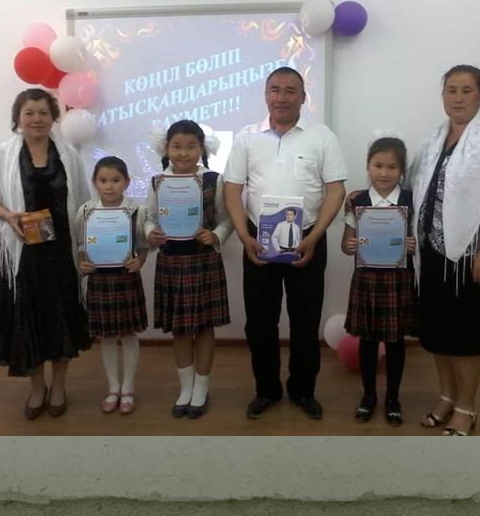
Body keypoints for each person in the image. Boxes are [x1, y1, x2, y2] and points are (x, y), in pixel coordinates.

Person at [223, 66, 347, 420]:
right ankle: (267, 391)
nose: (282, 97)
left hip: (308, 239)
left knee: (305, 321)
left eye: (290, 90)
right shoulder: (247, 137)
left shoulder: (322, 136)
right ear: (266, 95)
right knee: (259, 322)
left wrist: (315, 236)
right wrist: (244, 235)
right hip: (258, 242)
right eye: (275, 89)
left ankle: (303, 391)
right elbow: (232, 188)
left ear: (303, 97)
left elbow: (336, 189)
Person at [410, 65, 480, 435]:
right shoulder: (434, 139)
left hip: (471, 256)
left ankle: (466, 408)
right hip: (433, 253)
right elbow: (414, 188)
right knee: (438, 332)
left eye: (467, 90)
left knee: (465, 335)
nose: (458, 98)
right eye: (451, 90)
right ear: (442, 95)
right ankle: (446, 396)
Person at [0, 88, 92, 419]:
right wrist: (8, 215)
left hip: (61, 254)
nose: (36, 119)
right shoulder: (2, 155)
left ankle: (59, 387)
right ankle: (37, 388)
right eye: (29, 113)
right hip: (22, 255)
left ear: (53, 118)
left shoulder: (69, 155)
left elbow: (83, 205)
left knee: (61, 320)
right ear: (18, 118)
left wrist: (85, 248)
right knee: (30, 322)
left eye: (43, 112)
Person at [146, 120, 233, 419]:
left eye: (191, 146)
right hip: (171, 261)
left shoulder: (213, 180)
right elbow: (149, 217)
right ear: (166, 149)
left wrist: (216, 235)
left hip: (203, 261)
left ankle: (201, 389)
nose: (183, 153)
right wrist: (150, 232)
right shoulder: (158, 181)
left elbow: (226, 217)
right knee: (180, 329)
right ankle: (185, 388)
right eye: (176, 146)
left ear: (202, 149)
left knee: (205, 328)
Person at [341, 135, 418, 426]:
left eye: (392, 167)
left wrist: (413, 245)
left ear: (402, 171)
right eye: (378, 165)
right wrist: (350, 246)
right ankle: (369, 396)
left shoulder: (411, 200)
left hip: (398, 279)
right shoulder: (356, 201)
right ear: (368, 166)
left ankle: (393, 399)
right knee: (368, 341)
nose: (384, 173)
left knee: (396, 342)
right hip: (367, 279)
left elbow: (420, 241)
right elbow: (345, 244)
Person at [74, 156, 148, 416]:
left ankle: (128, 388)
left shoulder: (136, 211)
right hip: (99, 280)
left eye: (116, 180)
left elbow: (142, 245)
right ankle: (113, 388)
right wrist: (82, 264)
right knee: (105, 336)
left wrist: (140, 261)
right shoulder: (85, 211)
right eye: (103, 180)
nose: (109, 186)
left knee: (128, 334)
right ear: (95, 182)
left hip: (126, 279)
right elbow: (81, 245)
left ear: (126, 182)